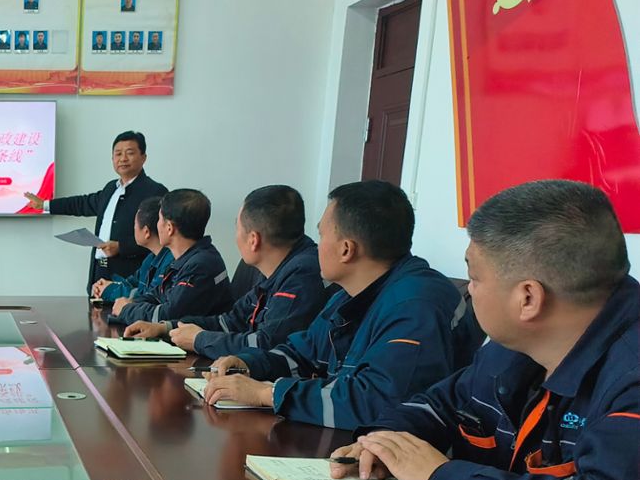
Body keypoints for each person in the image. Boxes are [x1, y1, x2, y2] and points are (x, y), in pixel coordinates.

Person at [331, 181, 638, 480]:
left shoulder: (629, 375)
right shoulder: (514, 348)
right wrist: (384, 442)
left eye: (474, 278)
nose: (469, 292)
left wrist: (442, 478)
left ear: (528, 298)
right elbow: (441, 404)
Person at [203, 180, 484, 430]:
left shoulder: (418, 304)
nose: (316, 246)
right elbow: (304, 353)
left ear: (346, 249)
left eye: (321, 235)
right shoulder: (351, 293)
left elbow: (375, 403)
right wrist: (249, 364)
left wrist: (267, 393)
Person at [124, 186, 330, 358]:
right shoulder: (276, 266)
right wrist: (166, 328)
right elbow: (231, 321)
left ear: (253, 240)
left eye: (237, 228)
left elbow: (267, 345)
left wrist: (199, 339)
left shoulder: (302, 274)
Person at [22, 130, 167, 290]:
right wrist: (44, 205)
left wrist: (121, 246)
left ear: (143, 157)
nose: (123, 159)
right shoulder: (111, 188)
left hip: (131, 277)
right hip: (100, 270)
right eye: (118, 154)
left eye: (130, 153)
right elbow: (81, 204)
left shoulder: (155, 192)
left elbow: (160, 237)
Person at [112, 189, 233, 325]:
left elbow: (169, 315)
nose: (157, 225)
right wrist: (132, 303)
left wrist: (127, 310)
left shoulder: (200, 265)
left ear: (169, 228)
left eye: (159, 219)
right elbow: (158, 295)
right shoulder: (186, 258)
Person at [90, 197, 173, 303]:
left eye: (135, 224)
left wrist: (109, 291)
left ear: (146, 232)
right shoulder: (150, 258)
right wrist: (107, 285)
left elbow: (147, 297)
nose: (134, 228)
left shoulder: (170, 261)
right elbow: (132, 283)